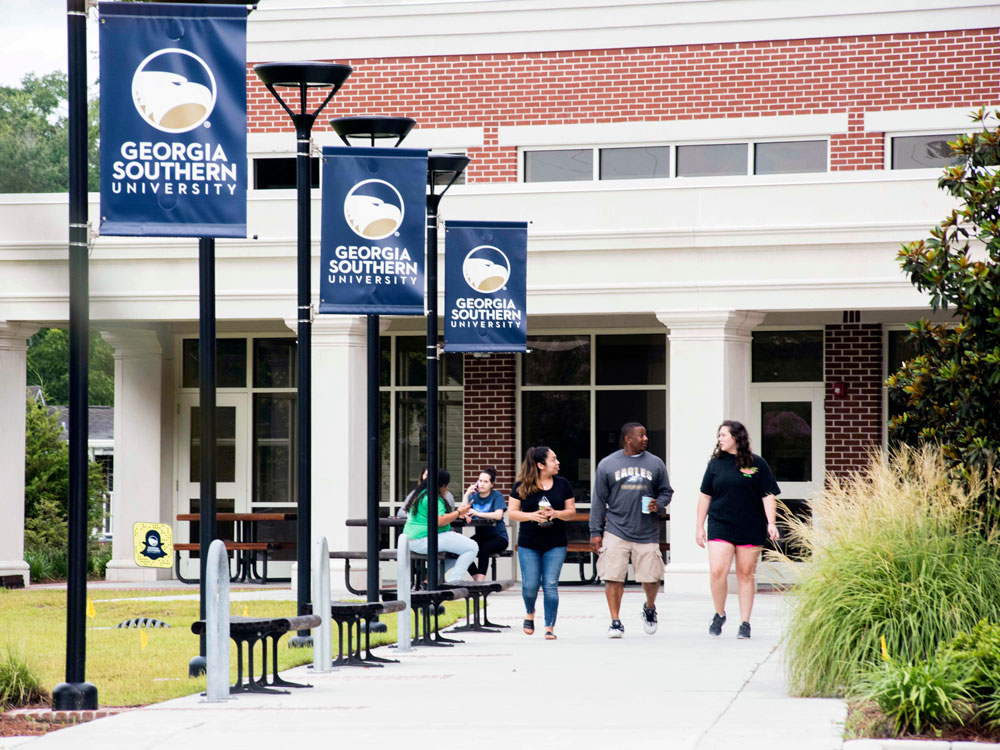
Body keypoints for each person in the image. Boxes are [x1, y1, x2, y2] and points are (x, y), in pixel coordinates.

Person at [695, 420, 781, 640]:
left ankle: (745, 623)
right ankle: (719, 613)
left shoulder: (757, 464)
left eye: (724, 435)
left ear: (736, 438)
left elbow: (767, 494)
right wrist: (699, 526)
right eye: (719, 436)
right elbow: (705, 495)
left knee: (745, 574)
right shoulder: (715, 464)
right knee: (717, 571)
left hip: (750, 525)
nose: (720, 439)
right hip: (720, 524)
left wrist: (771, 522)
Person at [589, 422, 674, 638]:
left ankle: (650, 607)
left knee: (652, 577)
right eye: (641, 435)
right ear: (628, 438)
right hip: (616, 530)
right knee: (613, 577)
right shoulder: (608, 464)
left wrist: (659, 503)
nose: (646, 438)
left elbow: (666, 491)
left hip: (646, 531)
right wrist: (595, 532)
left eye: (645, 435)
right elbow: (598, 500)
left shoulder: (655, 463)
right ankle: (615, 621)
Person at [509, 446, 575, 640]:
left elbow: (571, 512)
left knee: (550, 585)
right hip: (528, 543)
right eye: (553, 459)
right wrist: (531, 516)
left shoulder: (562, 484)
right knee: (529, 585)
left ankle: (549, 627)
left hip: (555, 543)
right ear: (540, 464)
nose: (558, 462)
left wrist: (556, 514)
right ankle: (530, 612)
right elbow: (512, 512)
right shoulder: (521, 485)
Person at [402, 469, 478, 584]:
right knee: (472, 547)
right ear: (441, 485)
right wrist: (458, 512)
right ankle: (453, 582)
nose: (447, 489)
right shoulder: (433, 498)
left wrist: (456, 514)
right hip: (423, 539)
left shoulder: (421, 494)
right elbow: (440, 520)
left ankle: (432, 578)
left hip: (412, 540)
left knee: (457, 553)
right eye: (446, 485)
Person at [462, 466, 509, 582]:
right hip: (481, 536)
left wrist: (478, 513)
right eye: (480, 481)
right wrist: (466, 495)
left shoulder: (496, 495)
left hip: (499, 537)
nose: (482, 484)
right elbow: (463, 511)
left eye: (486, 481)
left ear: (491, 484)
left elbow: (498, 515)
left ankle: (480, 581)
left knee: (484, 548)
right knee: (463, 548)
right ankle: (476, 579)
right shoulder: (474, 496)